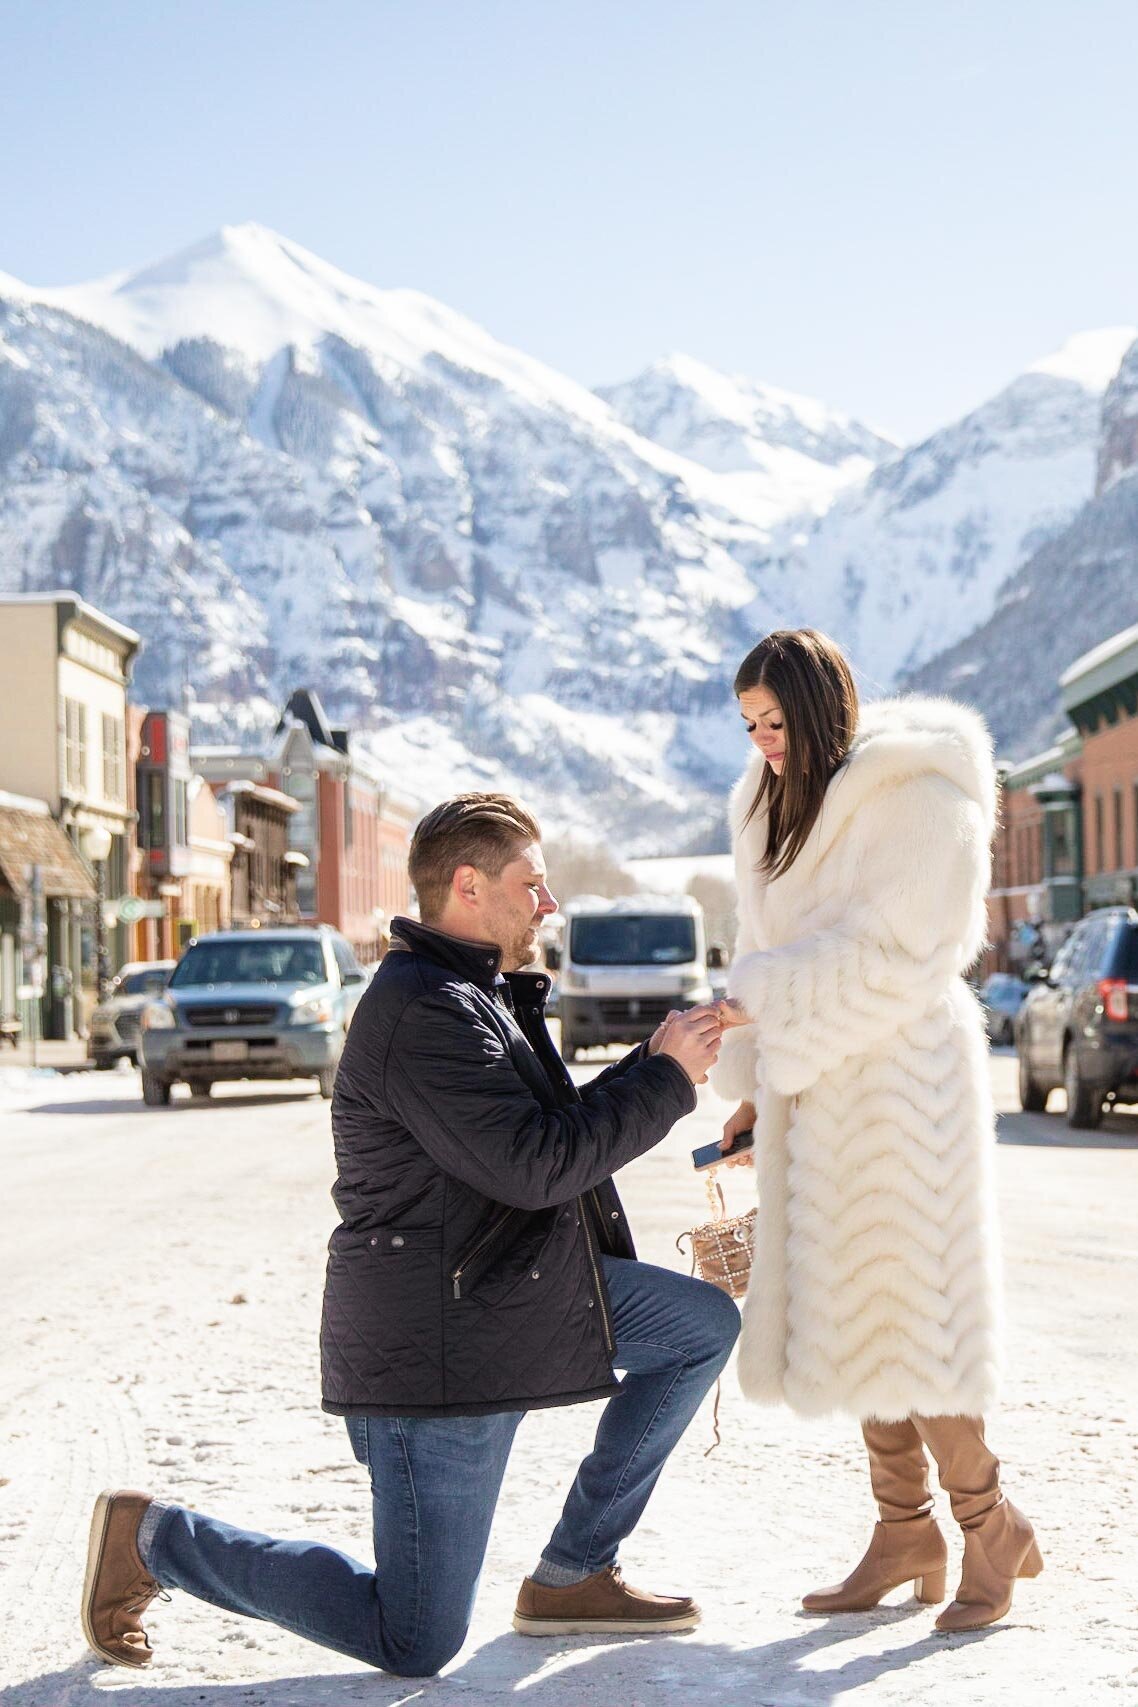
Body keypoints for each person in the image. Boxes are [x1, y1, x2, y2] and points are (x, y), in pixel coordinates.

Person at [82, 792, 737, 1676]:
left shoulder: (474, 993)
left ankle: (574, 1570)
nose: (547, 904)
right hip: (440, 1333)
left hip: (510, 1289)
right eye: (530, 884)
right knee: (416, 1637)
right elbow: (535, 1165)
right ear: (468, 886)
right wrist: (664, 1080)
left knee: (699, 1326)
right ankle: (154, 1540)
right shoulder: (423, 1010)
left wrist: (653, 1059)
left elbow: (541, 1130)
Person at [712, 629, 1041, 1634]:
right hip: (819, 1091)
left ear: (816, 708)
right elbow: (778, 948)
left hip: (902, 1087)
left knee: (913, 1313)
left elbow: (906, 957)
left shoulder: (917, 797)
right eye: (748, 726)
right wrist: (758, 1090)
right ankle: (904, 1532)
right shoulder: (769, 804)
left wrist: (767, 1008)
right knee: (849, 1309)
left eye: (774, 721)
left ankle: (990, 1527)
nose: (762, 742)